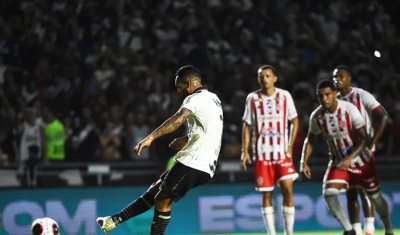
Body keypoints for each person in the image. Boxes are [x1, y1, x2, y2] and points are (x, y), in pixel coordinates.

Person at [96, 65, 224, 235]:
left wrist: (151, 137)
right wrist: (187, 139)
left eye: (179, 88)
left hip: (194, 162)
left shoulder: (195, 99)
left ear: (189, 84)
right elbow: (210, 131)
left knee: (162, 200)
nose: (178, 93)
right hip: (203, 163)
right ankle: (113, 221)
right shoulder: (213, 99)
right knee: (155, 190)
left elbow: (178, 119)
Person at [300, 80, 394, 235]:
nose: (324, 99)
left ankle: (388, 228)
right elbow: (310, 139)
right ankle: (349, 230)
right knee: (329, 193)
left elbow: (364, 139)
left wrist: (350, 157)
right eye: (320, 96)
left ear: (335, 94)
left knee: (375, 197)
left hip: (361, 161)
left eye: (327, 95)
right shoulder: (316, 116)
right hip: (338, 161)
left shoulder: (349, 110)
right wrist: (304, 161)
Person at [241, 65, 299, 235]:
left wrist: (289, 146)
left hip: (282, 153)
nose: (264, 79)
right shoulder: (252, 98)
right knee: (267, 195)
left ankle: (289, 233)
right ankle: (271, 233)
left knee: (287, 189)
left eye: (267, 76)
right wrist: (245, 151)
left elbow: (295, 121)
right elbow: (246, 125)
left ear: (275, 78)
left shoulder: (285, 96)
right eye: (261, 77)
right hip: (262, 154)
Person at [333, 65, 389, 235]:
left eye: (341, 76)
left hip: (363, 150)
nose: (337, 80)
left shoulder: (361, 95)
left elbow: (383, 116)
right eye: (335, 77)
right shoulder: (334, 99)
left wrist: (373, 141)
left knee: (365, 189)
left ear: (349, 78)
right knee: (350, 191)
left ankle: (369, 229)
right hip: (345, 151)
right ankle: (356, 230)